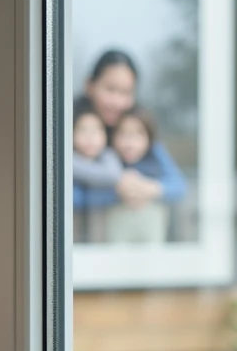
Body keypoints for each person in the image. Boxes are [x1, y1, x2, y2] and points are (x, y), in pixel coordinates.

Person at [72, 50, 187, 235]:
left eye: (126, 92)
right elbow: (57, 195)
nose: (117, 102)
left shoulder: (135, 131)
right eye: (110, 90)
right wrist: (116, 192)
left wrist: (147, 189)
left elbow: (178, 185)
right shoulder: (70, 128)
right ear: (89, 86)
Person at [105, 108, 170, 244]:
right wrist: (118, 191)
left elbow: (180, 187)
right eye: (123, 134)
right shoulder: (107, 159)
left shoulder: (156, 157)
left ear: (149, 138)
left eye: (137, 134)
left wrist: (147, 189)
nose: (129, 143)